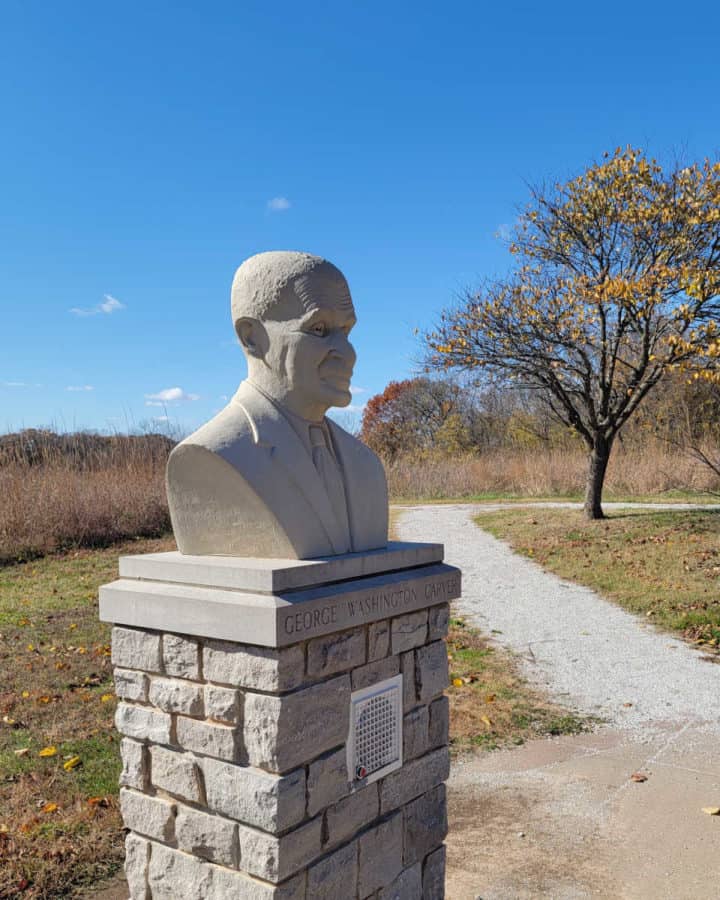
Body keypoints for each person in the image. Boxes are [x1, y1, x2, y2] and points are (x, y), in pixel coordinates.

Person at [166, 251, 388, 559]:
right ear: (252, 338)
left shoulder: (365, 464)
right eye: (319, 329)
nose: (347, 353)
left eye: (346, 331)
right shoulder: (207, 457)